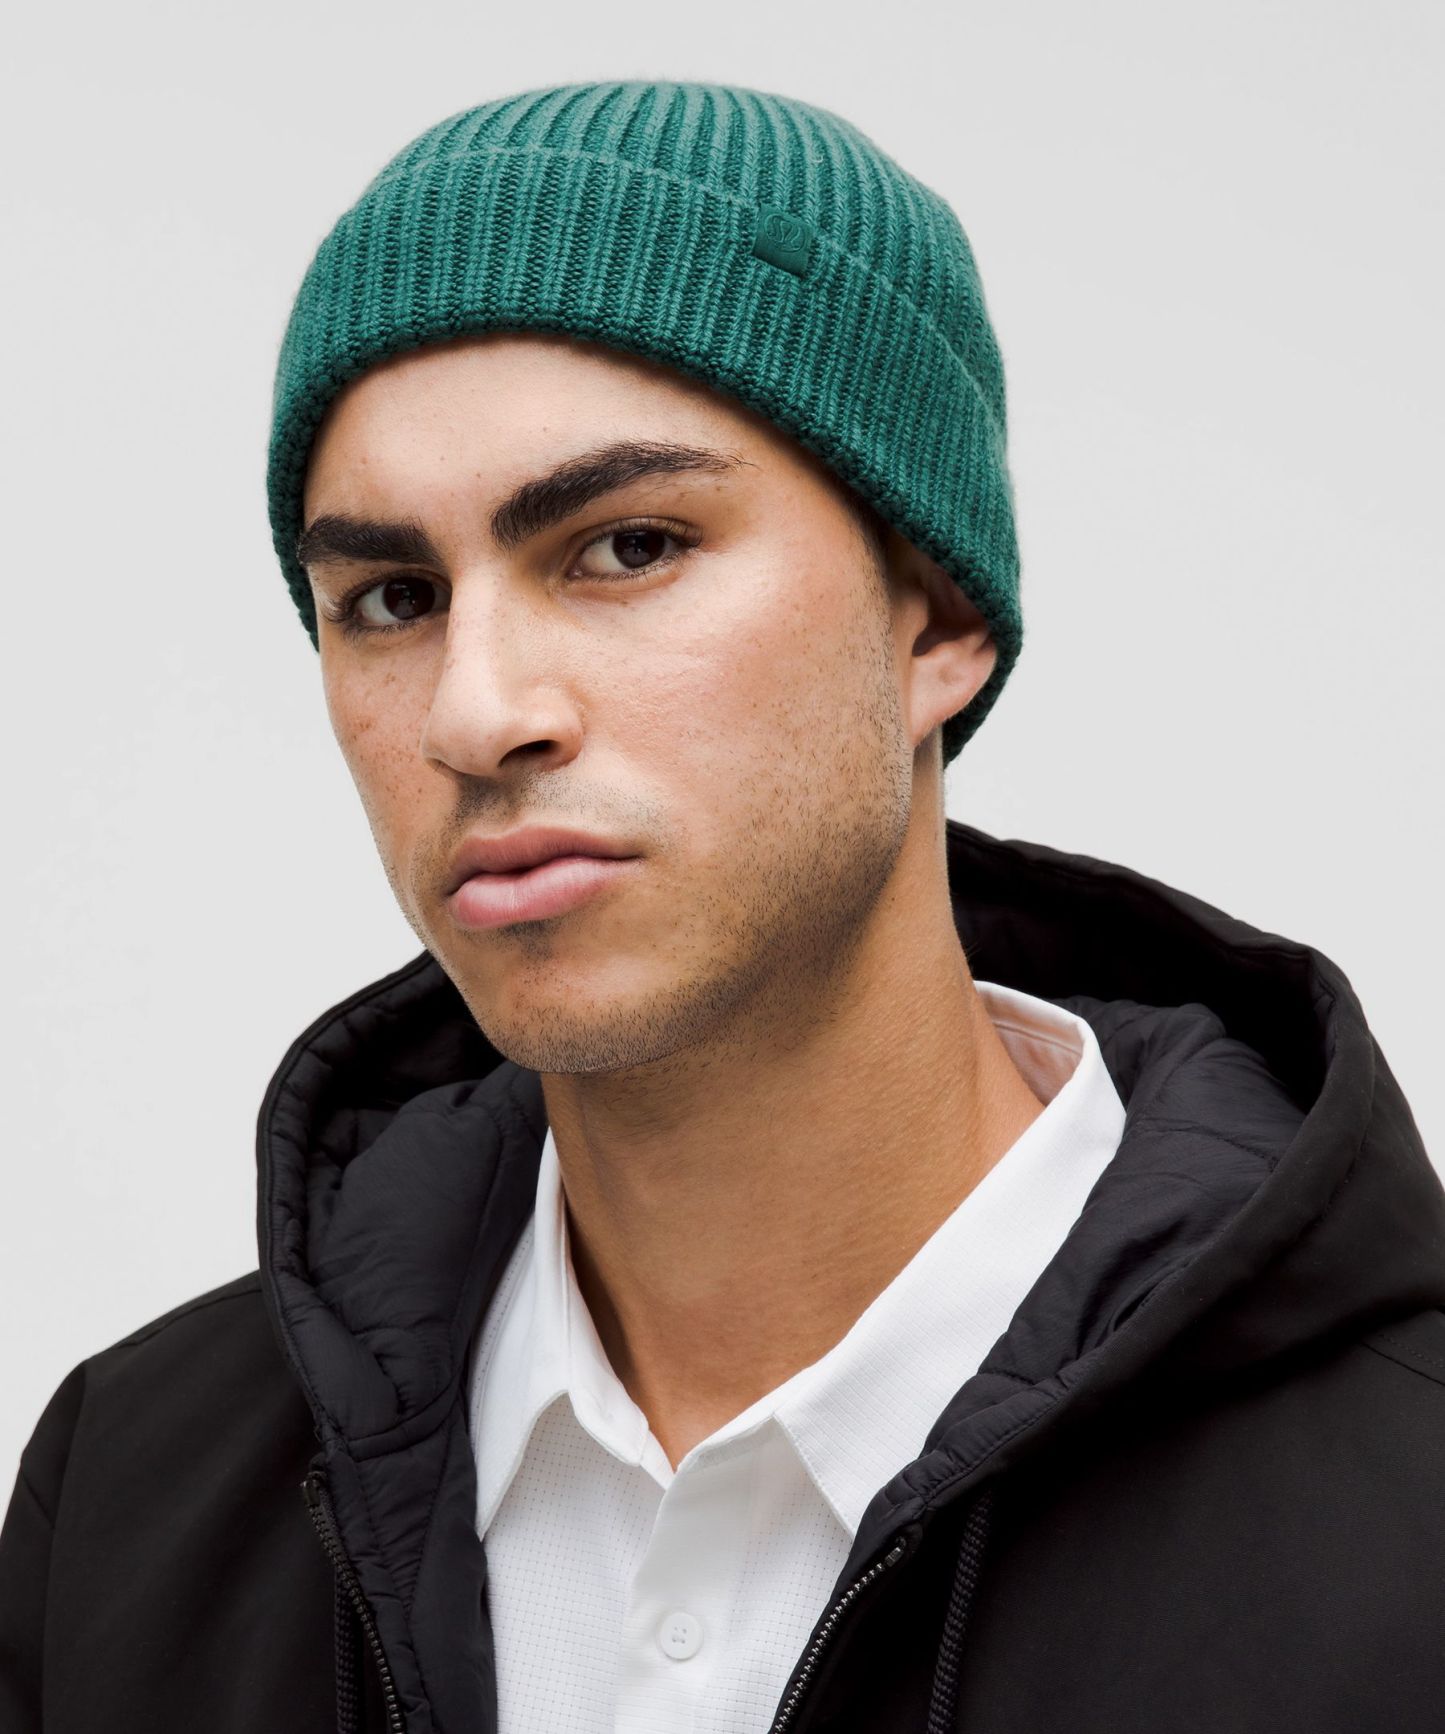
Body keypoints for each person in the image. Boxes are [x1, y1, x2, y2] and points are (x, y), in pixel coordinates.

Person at [1, 77, 1441, 1734]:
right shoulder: (129, 1506)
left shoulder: (1407, 1520)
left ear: (935, 615)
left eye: (625, 547)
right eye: (390, 597)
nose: (476, 711)